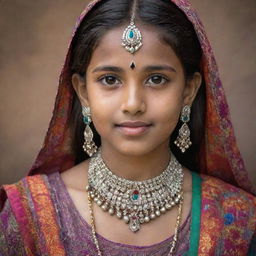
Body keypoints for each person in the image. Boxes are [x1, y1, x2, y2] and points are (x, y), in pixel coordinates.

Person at [0, 0, 255, 255]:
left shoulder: (238, 221)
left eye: (157, 79)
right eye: (110, 79)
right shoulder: (29, 218)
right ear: (83, 92)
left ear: (189, 90)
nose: (133, 104)